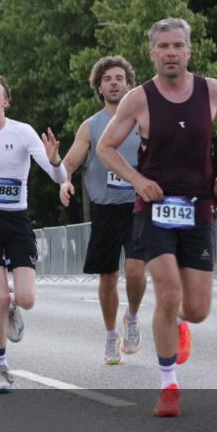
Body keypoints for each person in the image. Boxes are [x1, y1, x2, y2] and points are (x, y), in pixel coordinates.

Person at [97, 18, 217, 418]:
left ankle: (179, 322)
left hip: (198, 207)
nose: (171, 52)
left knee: (196, 309)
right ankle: (169, 385)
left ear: (189, 50)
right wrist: (137, 180)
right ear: (152, 53)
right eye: (164, 47)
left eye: (178, 45)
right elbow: (106, 148)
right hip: (155, 209)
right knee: (168, 292)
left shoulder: (211, 90)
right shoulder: (138, 99)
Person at [0, 73, 69, 394]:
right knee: (0, 297)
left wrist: (55, 160)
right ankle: (1, 368)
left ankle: (15, 309)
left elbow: (57, 175)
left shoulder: (22, 132)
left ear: (6, 100)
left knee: (25, 298)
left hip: (17, 220)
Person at [58, 56, 148, 365]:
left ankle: (132, 318)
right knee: (108, 277)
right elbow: (68, 165)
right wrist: (64, 182)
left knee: (136, 270)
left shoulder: (143, 121)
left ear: (129, 85)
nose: (114, 82)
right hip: (105, 210)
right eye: (107, 78)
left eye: (119, 78)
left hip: (138, 206)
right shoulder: (91, 126)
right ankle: (111, 336)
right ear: (99, 87)